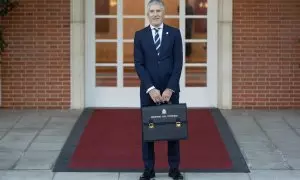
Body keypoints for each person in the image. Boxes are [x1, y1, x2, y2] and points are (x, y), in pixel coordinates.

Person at [134, 0, 184, 179]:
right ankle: (149, 169)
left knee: (173, 128)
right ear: (148, 14)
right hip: (149, 91)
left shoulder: (175, 34)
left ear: (164, 13)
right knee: (148, 129)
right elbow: (139, 64)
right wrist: (151, 88)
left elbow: (178, 63)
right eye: (152, 11)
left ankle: (174, 168)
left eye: (158, 11)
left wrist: (170, 88)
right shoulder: (140, 35)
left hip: (170, 90)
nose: (155, 14)